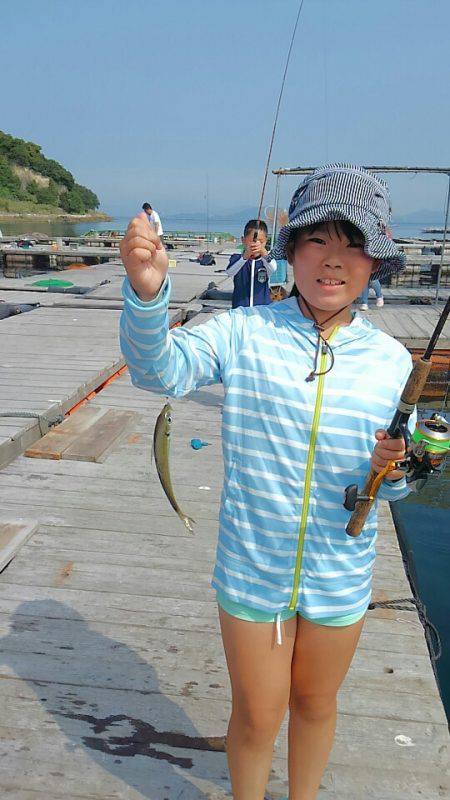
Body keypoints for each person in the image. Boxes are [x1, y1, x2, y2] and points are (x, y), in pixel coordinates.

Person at [119, 163, 413, 800]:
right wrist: (148, 296)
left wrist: (393, 472)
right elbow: (159, 370)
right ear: (293, 250)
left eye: (352, 244)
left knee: (316, 704)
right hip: (253, 567)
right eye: (317, 240)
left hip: (342, 571)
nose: (333, 261)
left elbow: (394, 484)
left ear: (375, 262)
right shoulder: (243, 332)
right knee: (257, 714)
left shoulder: (392, 361)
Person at [226, 219, 277, 308]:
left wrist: (263, 252)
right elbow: (230, 272)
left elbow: (273, 268)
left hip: (262, 311)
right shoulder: (237, 258)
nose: (256, 245)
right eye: (252, 241)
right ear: (243, 240)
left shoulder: (266, 261)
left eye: (261, 242)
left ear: (266, 241)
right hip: (240, 310)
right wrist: (245, 257)